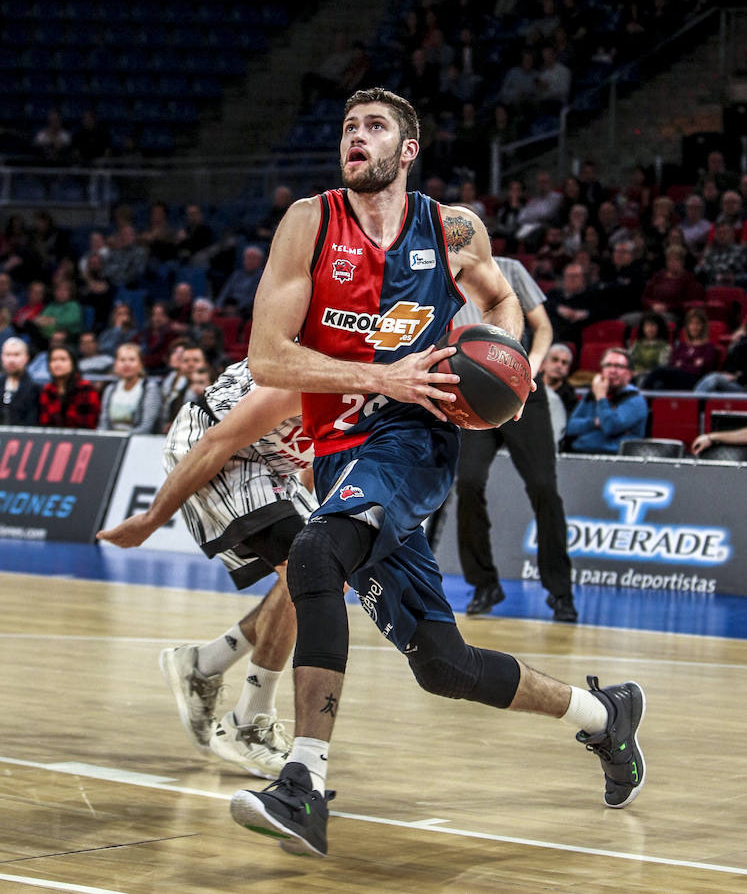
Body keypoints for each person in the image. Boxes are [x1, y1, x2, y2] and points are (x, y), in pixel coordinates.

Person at [228, 88, 647, 858]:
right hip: (339, 453)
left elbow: (500, 300)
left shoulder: (451, 228)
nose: (356, 137)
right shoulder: (309, 222)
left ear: (407, 148)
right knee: (442, 667)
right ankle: (605, 716)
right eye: (348, 126)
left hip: (414, 436)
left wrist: (508, 373)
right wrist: (378, 373)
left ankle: (302, 784)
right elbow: (265, 355)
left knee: (316, 554)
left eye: (374, 126)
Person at [98, 360, 317, 779]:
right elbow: (217, 442)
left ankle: (203, 664)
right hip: (216, 444)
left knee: (324, 575)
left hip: (273, 461)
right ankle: (248, 723)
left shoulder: (373, 371)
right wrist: (150, 520)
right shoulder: (307, 375)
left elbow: (317, 447)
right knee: (304, 569)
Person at [453, 257, 577, 622]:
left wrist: (530, 368)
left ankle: (560, 591)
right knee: (469, 482)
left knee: (543, 487)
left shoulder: (509, 268)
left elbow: (543, 328)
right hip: (471, 392)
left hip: (522, 385)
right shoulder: (435, 272)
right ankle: (483, 583)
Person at [566, 347, 648, 453]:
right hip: (582, 455)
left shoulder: (635, 400)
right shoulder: (591, 395)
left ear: (629, 374)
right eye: (608, 365)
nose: (612, 371)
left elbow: (610, 426)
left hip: (618, 461)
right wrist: (594, 423)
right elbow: (570, 427)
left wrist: (601, 398)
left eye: (618, 366)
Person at [643, 307, 720, 391]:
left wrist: (681, 365)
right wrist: (692, 364)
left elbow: (699, 370)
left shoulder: (708, 347)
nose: (694, 327)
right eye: (691, 324)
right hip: (677, 379)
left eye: (697, 324)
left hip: (695, 382)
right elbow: (672, 364)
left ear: (703, 326)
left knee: (659, 370)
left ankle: (640, 396)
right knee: (659, 385)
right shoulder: (681, 346)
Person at [97, 343, 162, 434]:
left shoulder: (150, 388)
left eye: (132, 360)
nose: (127, 364)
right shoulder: (110, 389)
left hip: (139, 442)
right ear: (115, 364)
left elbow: (147, 426)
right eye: (122, 360)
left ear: (141, 364)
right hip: (112, 441)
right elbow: (104, 422)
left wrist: (123, 438)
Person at [38, 344, 101, 429]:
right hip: (51, 439)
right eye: (53, 360)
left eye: (63, 359)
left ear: (73, 363)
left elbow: (89, 424)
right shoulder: (47, 390)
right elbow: (44, 422)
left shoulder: (85, 389)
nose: (57, 364)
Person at [538, 341, 578, 444]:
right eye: (555, 360)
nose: (559, 365)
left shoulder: (571, 397)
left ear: (568, 369)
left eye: (564, 363)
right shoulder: (531, 386)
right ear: (544, 363)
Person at [0, 337, 40, 426]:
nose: (11, 360)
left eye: (16, 355)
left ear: (26, 358)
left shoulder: (35, 387)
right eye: (8, 354)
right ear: (2, 357)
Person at [628, 312, 672, 385]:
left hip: (651, 377)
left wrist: (639, 373)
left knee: (642, 380)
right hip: (633, 375)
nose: (650, 329)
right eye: (647, 325)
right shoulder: (637, 344)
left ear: (659, 327)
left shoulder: (665, 347)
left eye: (653, 325)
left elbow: (661, 369)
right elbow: (628, 360)